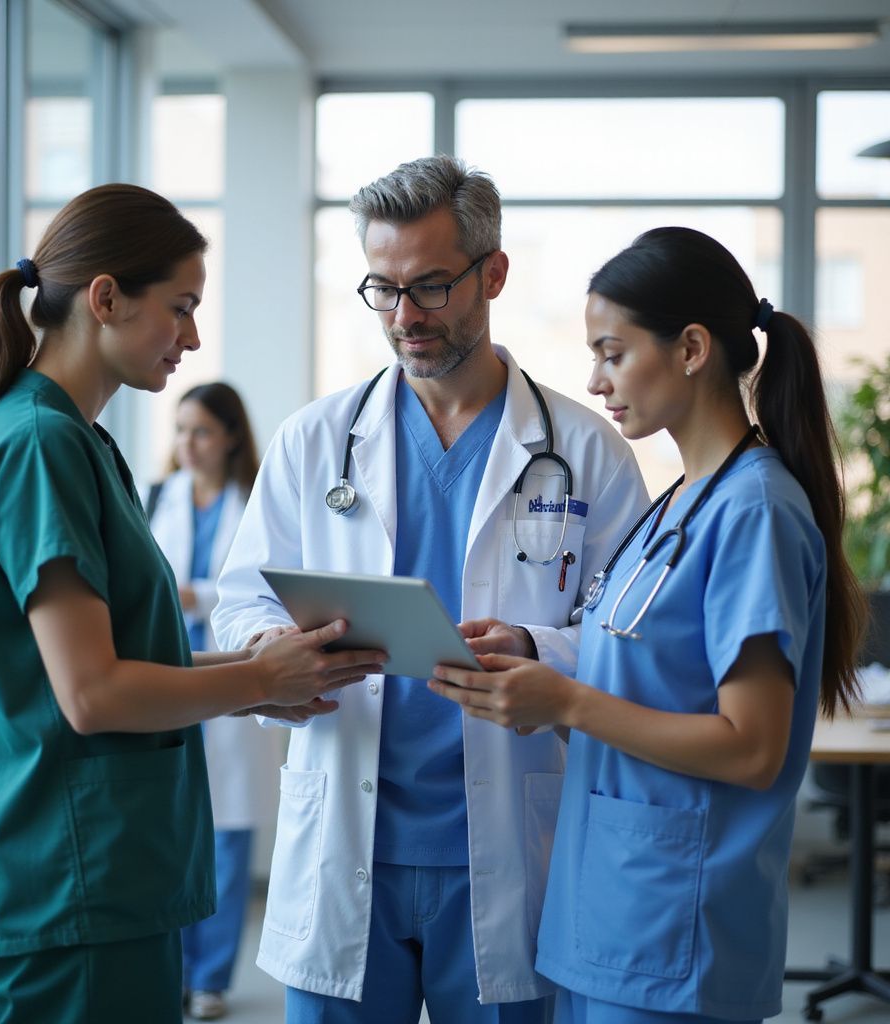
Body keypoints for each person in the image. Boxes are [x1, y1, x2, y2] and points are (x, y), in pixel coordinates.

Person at [0, 182, 384, 1024]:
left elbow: (115, 659)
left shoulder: (70, 437)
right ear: (105, 298)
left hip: (90, 870)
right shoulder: (40, 444)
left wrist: (262, 668)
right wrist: (253, 684)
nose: (193, 336)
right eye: (180, 307)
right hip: (72, 875)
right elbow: (92, 694)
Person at [212, 155, 649, 1024]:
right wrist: (271, 650)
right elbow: (242, 598)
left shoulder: (587, 450)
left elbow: (632, 638)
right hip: (347, 838)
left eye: (432, 287)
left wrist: (535, 648)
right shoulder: (315, 440)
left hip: (509, 844)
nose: (405, 317)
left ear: (494, 273)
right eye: (383, 289)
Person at [428, 226, 868, 1024]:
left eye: (613, 352)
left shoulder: (754, 512)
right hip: (607, 909)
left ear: (693, 348)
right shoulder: (676, 503)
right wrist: (535, 673)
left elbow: (753, 746)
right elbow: (643, 682)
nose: (595, 381)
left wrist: (563, 704)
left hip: (676, 927)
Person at [145, 381, 284, 1021]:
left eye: (200, 431)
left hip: (230, 687)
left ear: (230, 435)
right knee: (171, 833)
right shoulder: (155, 498)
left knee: (227, 840)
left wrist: (196, 596)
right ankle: (173, 968)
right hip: (170, 683)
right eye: (181, 431)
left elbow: (263, 590)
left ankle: (210, 979)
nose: (188, 445)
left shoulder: (258, 501)